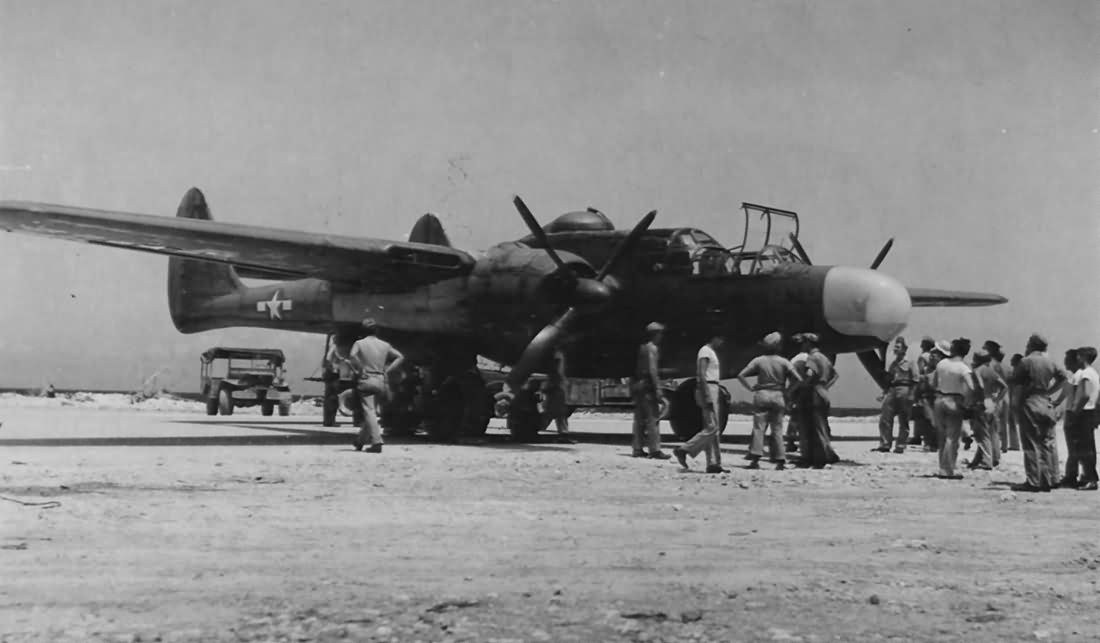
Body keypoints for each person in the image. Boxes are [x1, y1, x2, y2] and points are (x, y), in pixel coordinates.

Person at [1011, 334, 1068, 492]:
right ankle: (1052, 477)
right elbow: (1064, 379)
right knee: (1048, 442)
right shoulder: (1050, 360)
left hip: (1030, 401)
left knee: (1031, 442)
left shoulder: (1026, 361)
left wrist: (1015, 405)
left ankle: (1034, 480)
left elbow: (1017, 386)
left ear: (1031, 344)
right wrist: (1050, 391)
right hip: (1045, 400)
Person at [737, 332, 801, 470]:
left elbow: (741, 375)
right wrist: (788, 391)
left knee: (759, 428)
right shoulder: (784, 362)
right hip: (778, 395)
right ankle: (780, 460)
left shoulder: (758, 360)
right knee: (777, 429)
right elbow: (798, 379)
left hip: (762, 394)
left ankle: (755, 459)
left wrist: (750, 388)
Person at [349, 318, 405, 453]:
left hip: (366, 379)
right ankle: (360, 441)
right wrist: (387, 370)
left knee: (369, 411)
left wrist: (360, 369)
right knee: (371, 412)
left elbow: (352, 356)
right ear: (376, 331)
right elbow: (400, 357)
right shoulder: (385, 345)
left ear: (363, 331)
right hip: (381, 380)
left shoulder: (359, 343)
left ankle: (376, 442)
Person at [674, 334, 728, 473]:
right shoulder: (705, 351)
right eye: (721, 339)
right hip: (708, 387)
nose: (722, 342)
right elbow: (701, 374)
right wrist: (707, 394)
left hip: (713, 387)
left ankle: (713, 463)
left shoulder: (710, 352)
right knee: (712, 427)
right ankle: (685, 449)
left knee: (712, 428)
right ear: (714, 337)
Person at [931, 338, 976, 479]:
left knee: (942, 436)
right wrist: (968, 402)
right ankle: (948, 469)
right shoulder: (963, 368)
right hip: (954, 400)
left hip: (939, 399)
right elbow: (971, 387)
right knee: (952, 437)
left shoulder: (941, 364)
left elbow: (933, 383)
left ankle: (942, 467)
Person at [793, 333, 839, 469]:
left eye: (804, 343)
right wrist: (824, 386)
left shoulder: (812, 358)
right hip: (823, 392)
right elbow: (835, 375)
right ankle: (827, 455)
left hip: (813, 393)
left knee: (812, 427)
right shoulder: (825, 358)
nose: (802, 345)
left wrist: (801, 386)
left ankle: (817, 458)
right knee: (821, 426)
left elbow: (809, 375)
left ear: (808, 343)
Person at [630, 322, 671, 459]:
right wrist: (658, 389)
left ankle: (637, 448)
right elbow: (653, 370)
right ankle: (655, 450)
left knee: (639, 419)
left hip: (638, 386)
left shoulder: (642, 348)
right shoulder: (652, 348)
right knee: (653, 418)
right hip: (648, 387)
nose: (661, 337)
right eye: (660, 334)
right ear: (656, 335)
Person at [875, 336, 918, 454]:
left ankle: (900, 445)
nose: (895, 349)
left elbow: (915, 380)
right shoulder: (893, 364)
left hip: (905, 389)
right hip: (893, 390)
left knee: (904, 420)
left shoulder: (911, 363)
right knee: (885, 418)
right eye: (895, 347)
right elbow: (889, 380)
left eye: (898, 347)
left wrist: (912, 395)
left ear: (904, 349)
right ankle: (885, 443)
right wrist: (884, 393)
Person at [969, 348, 1007, 470]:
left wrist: (978, 398)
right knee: (992, 432)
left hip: (982, 402)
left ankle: (986, 461)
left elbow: (979, 385)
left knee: (982, 434)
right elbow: (1004, 387)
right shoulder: (991, 371)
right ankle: (993, 458)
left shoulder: (977, 371)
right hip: (992, 402)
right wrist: (996, 400)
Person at [1054, 349, 1083, 488]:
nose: (1065, 362)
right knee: (1075, 447)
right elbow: (1066, 392)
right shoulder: (1076, 376)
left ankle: (1071, 476)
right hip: (1074, 413)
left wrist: (1071, 411)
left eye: (1067, 359)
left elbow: (1069, 393)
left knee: (1073, 448)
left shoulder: (1076, 376)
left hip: (1073, 413)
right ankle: (1073, 474)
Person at [1072, 347, 1099, 490]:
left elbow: (1086, 394)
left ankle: (1091, 478)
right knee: (1088, 446)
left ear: (1083, 357)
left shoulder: (1086, 373)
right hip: (1091, 411)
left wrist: (1076, 409)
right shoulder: (1093, 373)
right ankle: (1089, 477)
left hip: (1085, 411)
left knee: (1085, 448)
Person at [543, 348, 574, 444]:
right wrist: (563, 380)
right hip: (556, 386)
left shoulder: (554, 355)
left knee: (558, 412)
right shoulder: (558, 356)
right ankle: (563, 434)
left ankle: (563, 434)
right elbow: (558, 371)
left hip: (555, 386)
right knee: (560, 412)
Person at [1005, 353, 1024, 451]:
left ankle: (1016, 444)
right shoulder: (1015, 372)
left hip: (1016, 397)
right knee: (1013, 421)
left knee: (1015, 421)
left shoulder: (1018, 372)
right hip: (1014, 396)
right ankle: (1015, 444)